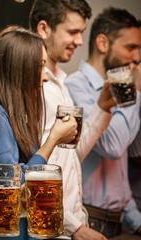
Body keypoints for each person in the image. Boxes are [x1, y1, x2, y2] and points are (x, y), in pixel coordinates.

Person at [0, 27, 78, 240]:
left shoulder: (8, 115)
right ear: (20, 69)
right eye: (41, 66)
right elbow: (13, 183)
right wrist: (53, 139)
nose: (45, 78)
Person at [29, 0, 116, 239]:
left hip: (68, 225)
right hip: (51, 228)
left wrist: (102, 108)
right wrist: (73, 226)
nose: (79, 41)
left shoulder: (61, 82)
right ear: (44, 29)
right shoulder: (33, 85)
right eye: (72, 32)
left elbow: (70, 153)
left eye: (81, 33)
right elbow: (32, 168)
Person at [64, 7, 141, 238]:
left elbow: (130, 155)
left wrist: (135, 220)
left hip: (121, 220)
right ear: (102, 43)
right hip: (90, 220)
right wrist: (134, 90)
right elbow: (113, 147)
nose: (137, 57)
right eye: (131, 47)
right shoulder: (74, 87)